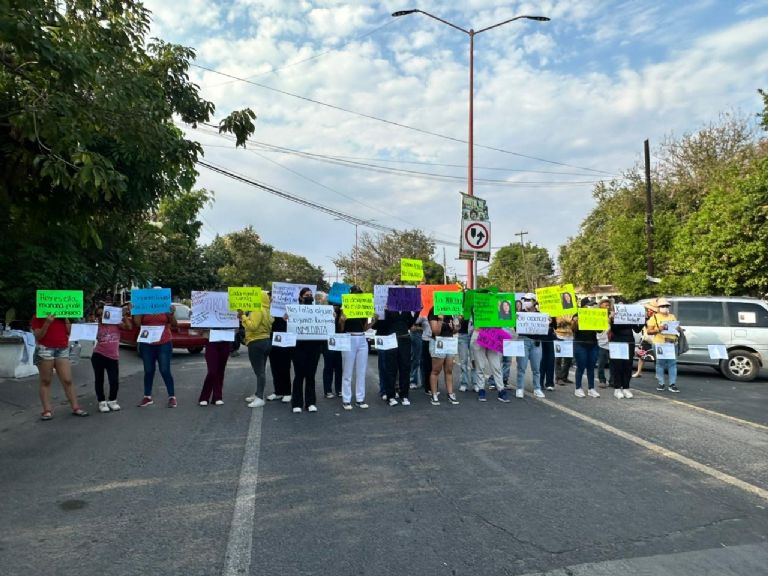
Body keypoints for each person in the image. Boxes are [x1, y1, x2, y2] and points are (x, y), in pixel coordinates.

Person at [32, 313, 88, 420]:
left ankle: (76, 407)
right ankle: (47, 410)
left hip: (62, 348)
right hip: (45, 349)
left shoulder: (63, 315)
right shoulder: (38, 315)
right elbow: (38, 336)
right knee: (46, 380)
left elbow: (70, 332)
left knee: (67, 380)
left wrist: (65, 318)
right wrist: (47, 323)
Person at [134, 301, 177, 408]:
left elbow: (174, 324)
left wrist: (171, 314)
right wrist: (136, 310)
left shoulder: (165, 305)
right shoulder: (143, 305)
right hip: (147, 343)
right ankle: (147, 397)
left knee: (165, 370)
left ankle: (172, 397)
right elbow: (137, 323)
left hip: (164, 342)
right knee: (148, 370)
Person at [91, 304, 133, 413]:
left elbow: (129, 327)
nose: (101, 317)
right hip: (98, 355)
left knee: (114, 380)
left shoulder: (116, 323)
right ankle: (101, 401)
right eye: (98, 315)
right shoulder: (95, 326)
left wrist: (123, 316)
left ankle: (112, 400)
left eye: (103, 314)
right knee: (99, 380)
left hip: (113, 357)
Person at [288, 287, 323, 413]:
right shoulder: (294, 310)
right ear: (300, 297)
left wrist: (331, 316)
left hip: (314, 347)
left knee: (311, 375)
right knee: (299, 375)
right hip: (298, 347)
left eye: (310, 295)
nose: (309, 297)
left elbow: (325, 323)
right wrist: (287, 317)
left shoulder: (318, 310)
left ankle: (310, 402)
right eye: (306, 295)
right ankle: (297, 403)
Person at [340, 286, 374, 410]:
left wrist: (373, 321)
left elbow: (365, 328)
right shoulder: (345, 308)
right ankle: (346, 399)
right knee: (347, 371)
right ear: (350, 295)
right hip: (349, 338)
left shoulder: (364, 307)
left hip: (362, 338)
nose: (357, 295)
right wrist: (342, 320)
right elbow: (341, 329)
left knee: (361, 371)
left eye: (359, 293)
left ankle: (360, 399)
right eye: (355, 293)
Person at [241, 291, 274, 408]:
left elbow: (253, 326)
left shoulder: (257, 309)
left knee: (259, 372)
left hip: (256, 342)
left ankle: (260, 397)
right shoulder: (267, 310)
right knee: (261, 370)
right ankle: (258, 393)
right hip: (266, 341)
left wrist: (243, 317)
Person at [646, 297, 682, 393]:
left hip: (671, 343)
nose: (664, 307)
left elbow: (676, 327)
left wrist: (678, 329)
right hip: (659, 343)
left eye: (666, 306)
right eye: (662, 306)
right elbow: (649, 331)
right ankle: (661, 383)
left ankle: (672, 384)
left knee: (672, 364)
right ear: (658, 307)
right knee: (660, 363)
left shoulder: (672, 316)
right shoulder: (654, 318)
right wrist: (659, 329)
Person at [515, 293, 546, 399]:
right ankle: (520, 388)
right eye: (525, 300)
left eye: (528, 300)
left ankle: (537, 388)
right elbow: (516, 328)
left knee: (536, 368)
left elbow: (545, 330)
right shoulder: (520, 314)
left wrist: (549, 321)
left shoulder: (540, 314)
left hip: (536, 343)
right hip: (523, 341)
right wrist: (515, 320)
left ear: (534, 301)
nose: (526, 302)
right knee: (521, 366)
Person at [609, 306, 643, 399]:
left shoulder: (630, 318)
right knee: (617, 366)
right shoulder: (614, 318)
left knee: (628, 366)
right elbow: (614, 329)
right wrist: (612, 319)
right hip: (617, 342)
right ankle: (617, 388)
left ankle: (626, 388)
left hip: (629, 342)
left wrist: (643, 320)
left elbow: (637, 330)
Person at [428, 307, 459, 406]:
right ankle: (434, 394)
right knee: (436, 370)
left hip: (449, 342)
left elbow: (455, 331)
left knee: (449, 370)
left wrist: (455, 326)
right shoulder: (434, 310)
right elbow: (436, 332)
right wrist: (440, 319)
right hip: (438, 342)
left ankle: (450, 393)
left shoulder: (451, 311)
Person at [571, 298, 600, 398]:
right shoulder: (577, 315)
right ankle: (578, 388)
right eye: (589, 305)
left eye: (592, 305)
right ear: (583, 306)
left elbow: (600, 330)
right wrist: (575, 321)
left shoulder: (595, 315)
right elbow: (573, 330)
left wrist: (601, 321)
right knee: (581, 366)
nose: (591, 307)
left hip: (593, 344)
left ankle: (591, 388)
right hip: (580, 344)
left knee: (591, 367)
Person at [318, 292, 343, 399]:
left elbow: (342, 329)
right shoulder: (325, 310)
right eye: (333, 304)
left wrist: (341, 320)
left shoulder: (343, 312)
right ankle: (327, 390)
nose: (335, 306)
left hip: (339, 341)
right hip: (327, 341)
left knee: (339, 367)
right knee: (328, 366)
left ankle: (339, 389)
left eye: (337, 304)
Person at [268, 306, 293, 405]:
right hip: (273, 337)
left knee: (285, 365)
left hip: (286, 337)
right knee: (274, 365)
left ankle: (287, 392)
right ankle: (278, 391)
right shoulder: (271, 307)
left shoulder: (292, 305)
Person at [632, 302, 658, 378]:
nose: (649, 311)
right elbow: (639, 328)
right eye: (648, 309)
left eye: (651, 310)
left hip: (656, 339)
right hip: (646, 339)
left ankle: (658, 373)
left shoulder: (657, 318)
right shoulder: (645, 317)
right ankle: (638, 372)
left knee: (657, 357)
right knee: (641, 356)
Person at [595, 297, 613, 388]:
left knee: (613, 363)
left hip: (612, 342)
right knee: (601, 363)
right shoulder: (597, 315)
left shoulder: (612, 315)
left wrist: (611, 319)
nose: (607, 307)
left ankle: (612, 381)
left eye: (608, 305)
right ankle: (602, 380)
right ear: (601, 305)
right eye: (606, 305)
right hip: (601, 342)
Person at [539, 315, 558, 391]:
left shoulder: (553, 313)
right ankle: (540, 383)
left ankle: (549, 383)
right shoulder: (538, 312)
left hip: (550, 339)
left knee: (551, 361)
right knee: (542, 361)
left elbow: (555, 327)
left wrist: (551, 321)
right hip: (541, 338)